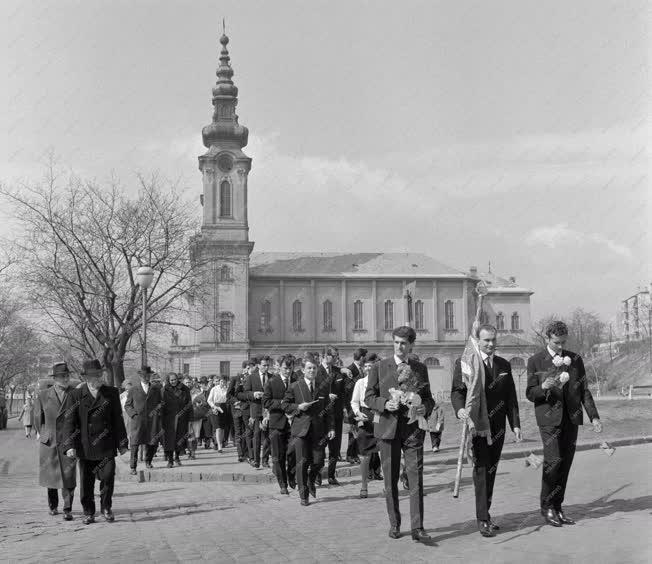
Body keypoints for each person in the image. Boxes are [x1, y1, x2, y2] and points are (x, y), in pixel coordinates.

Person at [526, 320, 601, 527]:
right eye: (557, 342)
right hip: (548, 419)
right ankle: (546, 506)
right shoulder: (535, 361)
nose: (560, 347)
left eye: (563, 342)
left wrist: (594, 416)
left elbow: (584, 389)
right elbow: (530, 393)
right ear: (547, 338)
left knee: (565, 463)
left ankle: (558, 507)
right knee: (553, 461)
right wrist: (543, 387)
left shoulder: (575, 359)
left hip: (572, 418)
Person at [366, 326, 434, 543]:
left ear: (411, 344)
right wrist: (385, 403)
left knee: (416, 479)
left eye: (404, 343)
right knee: (391, 480)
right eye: (396, 342)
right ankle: (394, 523)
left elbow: (428, 398)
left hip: (413, 430)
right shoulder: (379, 367)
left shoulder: (420, 368)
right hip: (387, 429)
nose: (399, 346)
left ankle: (418, 527)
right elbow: (368, 398)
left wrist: (426, 408)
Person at [451, 324, 521, 537]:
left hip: (498, 428)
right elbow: (457, 391)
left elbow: (511, 398)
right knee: (481, 471)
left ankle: (486, 513)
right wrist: (460, 409)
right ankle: (482, 519)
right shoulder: (467, 363)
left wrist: (515, 424)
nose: (490, 344)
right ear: (477, 341)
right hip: (477, 427)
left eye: (493, 340)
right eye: (486, 340)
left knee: (491, 471)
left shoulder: (503, 365)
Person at [66, 359, 128, 524]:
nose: (99, 378)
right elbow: (69, 423)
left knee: (108, 477)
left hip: (106, 444)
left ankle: (106, 508)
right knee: (87, 482)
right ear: (87, 378)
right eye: (95, 376)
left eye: (100, 375)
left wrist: (122, 443)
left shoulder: (111, 393)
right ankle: (89, 512)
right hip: (85, 446)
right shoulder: (76, 395)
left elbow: (118, 420)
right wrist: (69, 446)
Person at [282, 352, 335, 506]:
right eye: (309, 368)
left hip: (318, 431)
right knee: (302, 463)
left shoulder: (322, 387)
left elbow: (329, 410)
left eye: (314, 368)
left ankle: (312, 480)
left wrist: (331, 427)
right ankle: (303, 495)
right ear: (303, 370)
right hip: (300, 431)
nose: (312, 371)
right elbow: (285, 404)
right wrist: (298, 406)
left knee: (319, 461)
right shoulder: (295, 386)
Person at [33, 362, 78, 520]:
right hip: (50, 440)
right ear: (55, 378)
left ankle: (68, 508)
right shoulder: (43, 395)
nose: (65, 378)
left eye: (67, 376)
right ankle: (53, 506)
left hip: (69, 440)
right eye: (62, 376)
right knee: (51, 475)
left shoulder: (75, 393)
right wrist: (44, 434)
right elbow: (37, 418)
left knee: (69, 475)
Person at [263, 354, 297, 495]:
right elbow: (266, 402)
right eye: (285, 368)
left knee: (293, 452)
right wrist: (282, 404)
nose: (287, 371)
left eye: (290, 368)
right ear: (279, 367)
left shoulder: (297, 381)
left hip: (294, 423)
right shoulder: (271, 382)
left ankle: (291, 475)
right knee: (278, 456)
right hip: (276, 424)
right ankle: (282, 484)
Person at [350, 353, 383, 499]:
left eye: (372, 366)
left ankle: (387, 485)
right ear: (363, 368)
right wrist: (357, 412)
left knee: (384, 452)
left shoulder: (382, 382)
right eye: (366, 366)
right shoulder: (360, 383)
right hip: (365, 417)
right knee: (364, 455)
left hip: (380, 417)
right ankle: (364, 485)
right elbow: (354, 402)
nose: (369, 368)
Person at [123, 366, 163, 474]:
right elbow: (127, 405)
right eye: (143, 376)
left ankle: (148, 461)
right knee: (135, 443)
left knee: (151, 442)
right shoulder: (133, 389)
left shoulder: (156, 389)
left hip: (152, 420)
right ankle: (133, 467)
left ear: (150, 376)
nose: (145, 377)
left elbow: (160, 403)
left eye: (147, 375)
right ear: (140, 376)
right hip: (137, 421)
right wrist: (133, 415)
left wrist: (158, 411)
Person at [317, 346, 346, 486]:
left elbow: (345, 391)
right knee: (320, 449)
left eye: (337, 356)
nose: (336, 358)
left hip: (337, 415)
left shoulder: (338, 371)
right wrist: (326, 396)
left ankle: (331, 475)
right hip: (322, 416)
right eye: (334, 356)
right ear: (325, 356)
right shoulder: (315, 371)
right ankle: (317, 474)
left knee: (335, 448)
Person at [238, 356, 269, 468]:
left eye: (267, 365)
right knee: (256, 435)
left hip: (268, 410)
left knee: (267, 437)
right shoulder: (252, 377)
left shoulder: (272, 377)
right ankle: (256, 460)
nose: (266, 367)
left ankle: (265, 460)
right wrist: (253, 394)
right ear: (259, 365)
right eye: (264, 365)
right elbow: (243, 394)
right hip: (255, 410)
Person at [162, 372, 192, 468]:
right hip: (169, 420)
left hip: (181, 418)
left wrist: (190, 418)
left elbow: (189, 404)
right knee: (169, 440)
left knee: (179, 439)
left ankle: (177, 457)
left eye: (175, 379)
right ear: (168, 380)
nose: (173, 381)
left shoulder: (185, 389)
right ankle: (170, 460)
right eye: (171, 380)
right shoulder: (164, 390)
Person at [345, 347, 367, 464]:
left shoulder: (360, 369)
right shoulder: (351, 369)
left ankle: (355, 453)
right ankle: (350, 454)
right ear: (362, 357)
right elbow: (347, 390)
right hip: (352, 406)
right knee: (352, 431)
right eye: (365, 357)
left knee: (358, 431)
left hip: (359, 406)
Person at [227, 363, 248, 462]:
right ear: (243, 369)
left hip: (247, 409)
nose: (249, 370)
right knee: (239, 431)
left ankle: (247, 453)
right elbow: (229, 395)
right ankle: (240, 454)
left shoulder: (252, 378)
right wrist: (236, 401)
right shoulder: (235, 379)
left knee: (247, 431)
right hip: (237, 409)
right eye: (247, 368)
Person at [189, 377, 210, 460]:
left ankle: (192, 452)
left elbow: (205, 403)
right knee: (189, 435)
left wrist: (201, 404)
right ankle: (191, 451)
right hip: (186, 417)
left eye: (190, 382)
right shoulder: (182, 392)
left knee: (195, 436)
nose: (188, 384)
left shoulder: (198, 392)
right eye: (186, 382)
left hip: (197, 416)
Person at [207, 375, 229, 452]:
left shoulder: (227, 389)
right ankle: (219, 445)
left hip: (224, 407)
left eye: (224, 382)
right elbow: (209, 400)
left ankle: (221, 442)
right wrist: (214, 407)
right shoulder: (214, 389)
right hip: (216, 407)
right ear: (219, 381)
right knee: (218, 427)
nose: (222, 383)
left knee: (223, 428)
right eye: (221, 381)